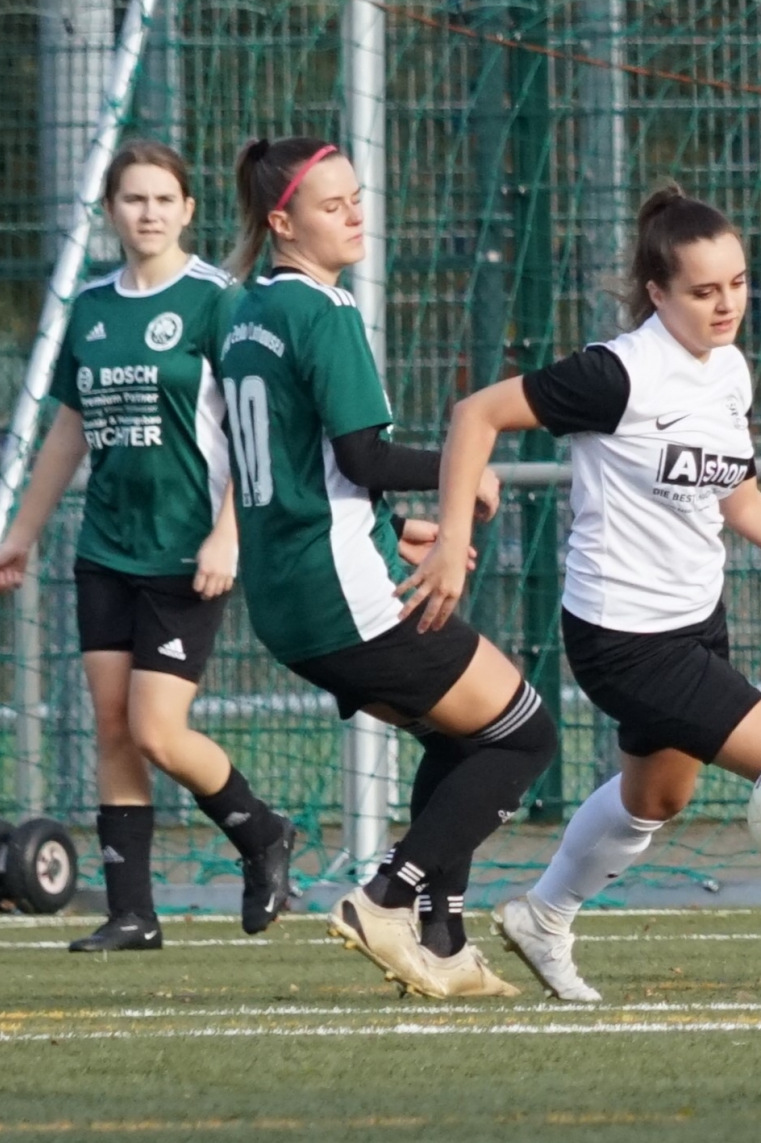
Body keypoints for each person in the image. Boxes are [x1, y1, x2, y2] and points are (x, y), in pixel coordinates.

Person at [396, 184, 761, 1001]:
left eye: (737, 284)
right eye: (704, 291)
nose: (726, 304)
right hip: (623, 636)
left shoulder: (729, 372)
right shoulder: (617, 374)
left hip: (695, 622)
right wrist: (454, 541)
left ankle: (542, 915)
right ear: (658, 292)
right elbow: (475, 414)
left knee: (653, 799)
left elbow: (741, 503)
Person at [220, 135, 547, 999]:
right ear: (281, 222)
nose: (356, 214)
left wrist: (393, 524)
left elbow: (301, 470)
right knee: (523, 730)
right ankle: (387, 897)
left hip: (290, 589)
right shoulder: (322, 313)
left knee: (464, 730)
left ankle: (440, 938)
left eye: (357, 196)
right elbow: (362, 455)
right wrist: (460, 473)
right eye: (333, 206)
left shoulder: (246, 313)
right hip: (340, 593)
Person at [0, 140, 293, 952]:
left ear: (188, 210)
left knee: (160, 730)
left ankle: (262, 834)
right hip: (106, 550)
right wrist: (21, 535)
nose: (149, 212)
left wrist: (230, 531)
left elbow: (255, 427)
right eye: (133, 199)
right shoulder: (89, 307)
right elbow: (68, 431)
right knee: (115, 728)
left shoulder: (218, 300)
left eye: (164, 199)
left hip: (188, 553)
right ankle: (132, 912)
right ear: (112, 211)